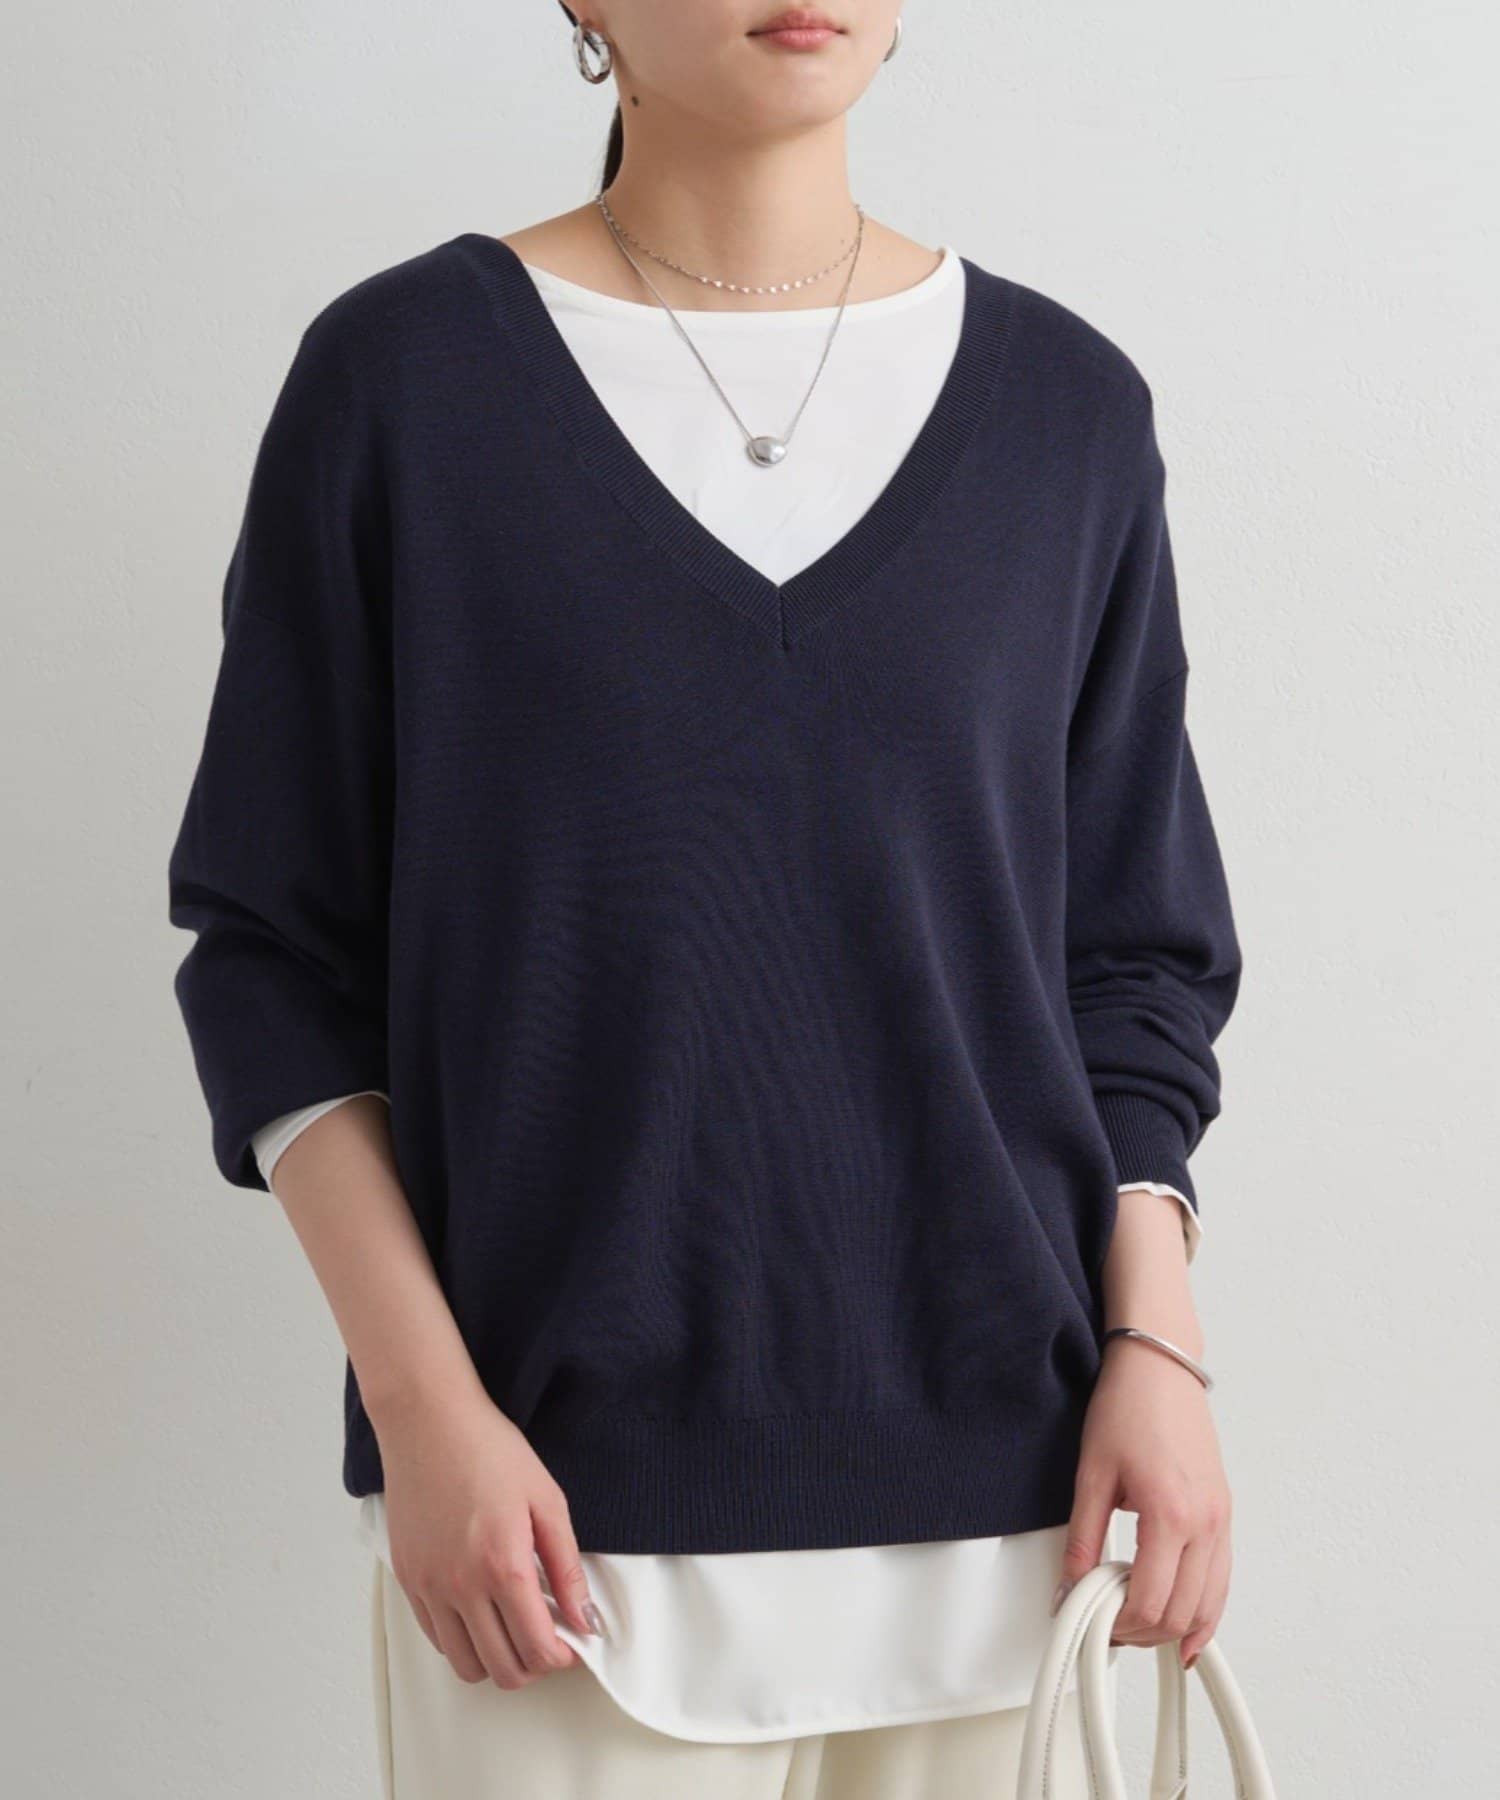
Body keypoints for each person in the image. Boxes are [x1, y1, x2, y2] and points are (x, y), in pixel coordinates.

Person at [166, 4, 1243, 1794]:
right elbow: (273, 960)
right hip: (548, 1530)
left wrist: (1160, 1350)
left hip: (1024, 1504)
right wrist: (426, 1418)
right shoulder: (404, 382)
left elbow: (1129, 964)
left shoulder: (1068, 412)